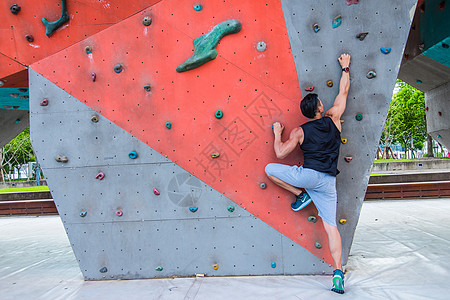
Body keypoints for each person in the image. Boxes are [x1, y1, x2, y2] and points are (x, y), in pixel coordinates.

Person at [265, 53, 351, 294]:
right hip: (328, 182)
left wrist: (277, 132)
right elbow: (343, 93)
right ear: (321, 108)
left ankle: (301, 195)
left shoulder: (300, 132)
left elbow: (280, 154)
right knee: (330, 226)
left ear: (305, 113)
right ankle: (337, 272)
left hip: (309, 176)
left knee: (270, 170)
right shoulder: (334, 119)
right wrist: (345, 68)